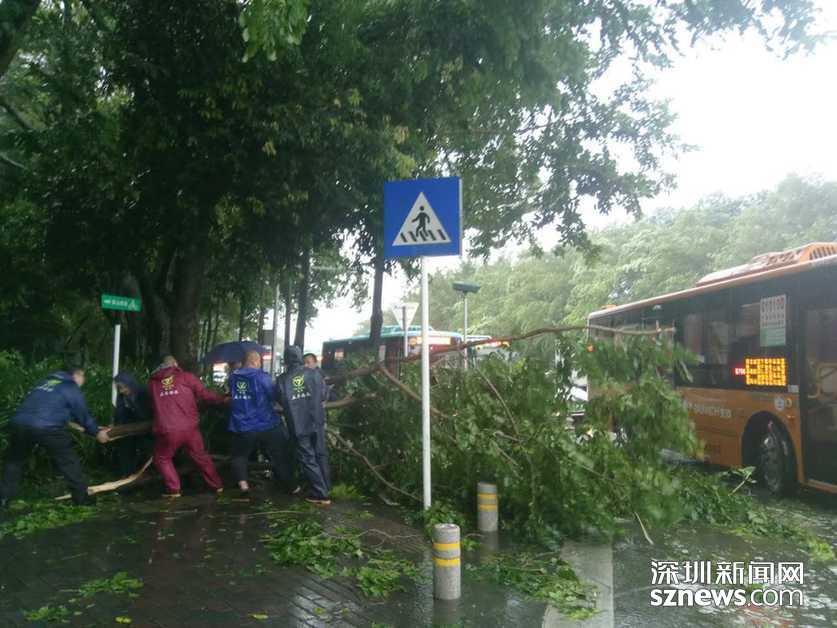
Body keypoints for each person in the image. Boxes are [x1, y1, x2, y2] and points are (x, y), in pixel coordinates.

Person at [0, 365, 109, 508]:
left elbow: (48, 410)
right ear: (77, 375)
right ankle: (82, 500)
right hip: (47, 428)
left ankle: (3, 499)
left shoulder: (45, 383)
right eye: (83, 376)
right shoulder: (70, 387)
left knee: (14, 461)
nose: (84, 380)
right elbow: (83, 415)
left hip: (19, 423)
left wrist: (88, 430)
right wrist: (97, 433)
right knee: (69, 461)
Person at [147, 355, 226, 498]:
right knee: (201, 457)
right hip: (190, 429)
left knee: (162, 457)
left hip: (167, 429)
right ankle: (217, 485)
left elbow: (153, 405)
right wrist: (223, 398)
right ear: (175, 364)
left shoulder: (152, 383)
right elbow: (205, 395)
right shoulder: (187, 377)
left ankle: (174, 490)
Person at [228, 351, 295, 497]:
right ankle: (292, 487)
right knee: (280, 455)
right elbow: (274, 396)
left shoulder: (233, 377)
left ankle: (244, 487)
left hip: (243, 425)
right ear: (255, 362)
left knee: (239, 456)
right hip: (266, 423)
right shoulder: (262, 377)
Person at [277, 345, 330, 505]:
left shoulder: (282, 379)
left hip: (298, 423)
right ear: (300, 358)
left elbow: (280, 399)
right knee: (320, 454)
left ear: (286, 360)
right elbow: (324, 394)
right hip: (317, 420)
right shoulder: (315, 374)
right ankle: (326, 487)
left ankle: (321, 494)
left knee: (307, 458)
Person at [112, 372, 153, 477]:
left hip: (149, 426)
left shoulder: (144, 391)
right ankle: (127, 474)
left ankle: (149, 473)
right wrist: (116, 427)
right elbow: (119, 412)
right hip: (131, 427)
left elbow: (149, 411)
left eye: (123, 387)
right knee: (125, 446)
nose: (121, 391)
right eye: (119, 388)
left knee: (147, 448)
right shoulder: (122, 396)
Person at [302, 351, 332, 493]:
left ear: (315, 363)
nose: (306, 365)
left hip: (317, 420)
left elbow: (323, 396)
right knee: (314, 453)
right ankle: (319, 485)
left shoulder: (319, 376)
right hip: (311, 419)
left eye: (309, 362)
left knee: (319, 453)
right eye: (305, 363)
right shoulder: (306, 376)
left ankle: (324, 486)